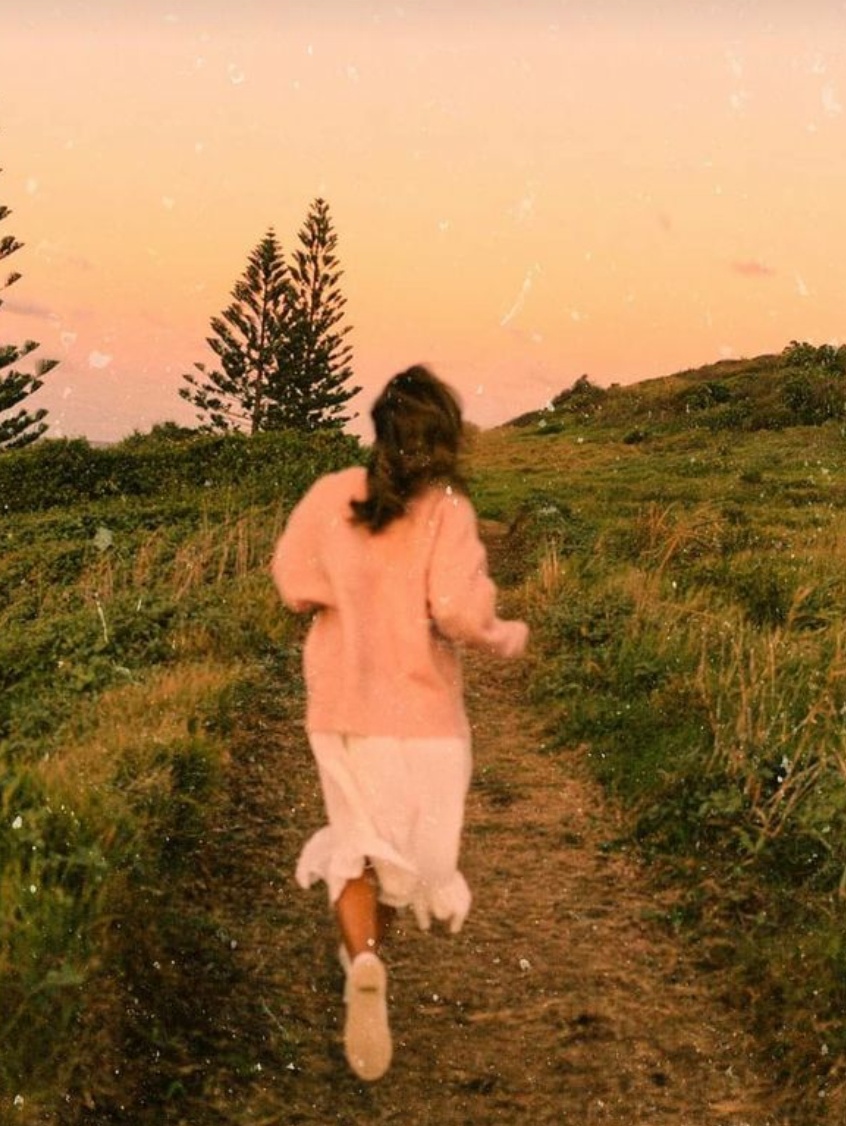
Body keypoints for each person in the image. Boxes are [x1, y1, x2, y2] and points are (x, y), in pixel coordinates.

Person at [270, 365, 529, 1081]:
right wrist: (504, 634)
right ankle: (369, 958)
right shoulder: (447, 510)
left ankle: (363, 961)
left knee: (357, 842)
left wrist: (347, 589)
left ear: (379, 430)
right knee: (403, 862)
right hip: (423, 718)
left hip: (342, 707)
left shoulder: (331, 495)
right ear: (447, 437)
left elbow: (293, 583)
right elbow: (455, 609)